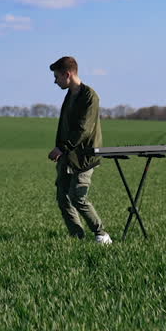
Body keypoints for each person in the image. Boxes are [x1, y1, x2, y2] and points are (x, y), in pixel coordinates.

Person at [47, 56, 111, 244]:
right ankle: (77, 237)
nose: (55, 81)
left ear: (68, 74)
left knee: (77, 196)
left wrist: (62, 147)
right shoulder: (70, 95)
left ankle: (101, 233)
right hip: (67, 155)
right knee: (62, 197)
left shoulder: (89, 96)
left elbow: (84, 128)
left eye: (57, 77)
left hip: (84, 155)